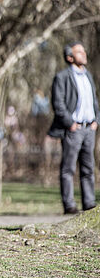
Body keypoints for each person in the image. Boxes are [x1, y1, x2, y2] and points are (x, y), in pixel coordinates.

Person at [48, 42, 99, 214]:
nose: (84, 54)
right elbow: (58, 103)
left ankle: (89, 203)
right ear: (70, 57)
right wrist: (70, 124)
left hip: (89, 128)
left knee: (88, 168)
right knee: (68, 168)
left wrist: (96, 121)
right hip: (73, 130)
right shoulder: (62, 77)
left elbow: (94, 101)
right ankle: (69, 205)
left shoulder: (88, 76)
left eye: (84, 51)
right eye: (79, 52)